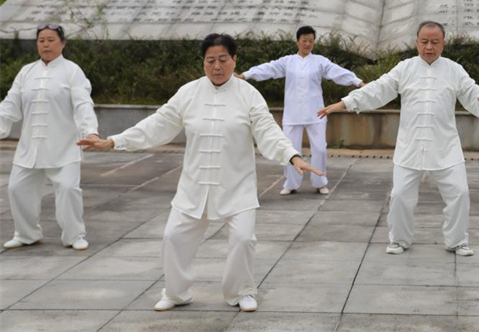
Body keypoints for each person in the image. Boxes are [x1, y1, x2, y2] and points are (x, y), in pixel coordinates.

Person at [78, 33, 322, 313]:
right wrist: (114, 141)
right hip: (194, 185)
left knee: (243, 239)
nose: (217, 66)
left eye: (223, 60)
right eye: (210, 60)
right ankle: (176, 292)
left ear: (234, 60)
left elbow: (267, 129)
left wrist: (291, 155)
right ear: (203, 62)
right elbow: (158, 123)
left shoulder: (248, 94)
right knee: (173, 237)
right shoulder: (188, 92)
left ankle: (241, 291)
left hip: (236, 184)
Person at [318, 21, 479, 257]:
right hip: (410, 146)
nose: (429, 47)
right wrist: (345, 103)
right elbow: (379, 88)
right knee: (399, 196)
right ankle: (399, 239)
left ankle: (457, 241)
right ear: (417, 42)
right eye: (424, 41)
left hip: (445, 147)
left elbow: (476, 95)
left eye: (435, 42)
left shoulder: (454, 70)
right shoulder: (405, 68)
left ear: (443, 44)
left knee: (459, 193)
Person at [0, 24, 99, 251]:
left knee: (67, 189)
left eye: (51, 40)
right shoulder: (26, 72)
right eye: (41, 40)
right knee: (16, 189)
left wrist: (90, 131)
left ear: (62, 43)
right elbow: (9, 105)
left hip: (63, 146)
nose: (45, 44)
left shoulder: (72, 71)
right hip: (30, 147)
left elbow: (83, 103)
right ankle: (26, 234)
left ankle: (74, 235)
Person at [238, 25, 363, 196]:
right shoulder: (288, 61)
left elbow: (337, 72)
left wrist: (358, 82)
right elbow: (268, 68)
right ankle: (291, 183)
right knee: (290, 148)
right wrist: (246, 75)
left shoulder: (320, 61)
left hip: (316, 111)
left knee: (319, 148)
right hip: (293, 113)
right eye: (304, 40)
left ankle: (319, 181)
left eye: (311, 41)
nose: (307, 44)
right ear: (297, 41)